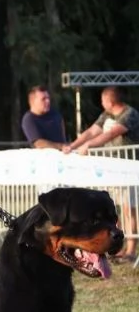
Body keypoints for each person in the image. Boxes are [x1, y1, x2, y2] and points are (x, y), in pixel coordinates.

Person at [63, 86, 139, 262]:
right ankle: (118, 246)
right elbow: (91, 131)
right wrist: (72, 146)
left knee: (129, 209)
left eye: (103, 100)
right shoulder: (107, 115)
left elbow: (112, 133)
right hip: (113, 170)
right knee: (115, 211)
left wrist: (89, 146)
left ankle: (131, 250)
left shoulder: (130, 114)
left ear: (110, 101)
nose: (102, 104)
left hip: (129, 169)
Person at [21, 85, 67, 150]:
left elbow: (63, 138)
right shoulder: (29, 119)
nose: (48, 101)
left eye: (48, 98)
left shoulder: (56, 115)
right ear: (32, 101)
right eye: (43, 99)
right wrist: (61, 147)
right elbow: (39, 143)